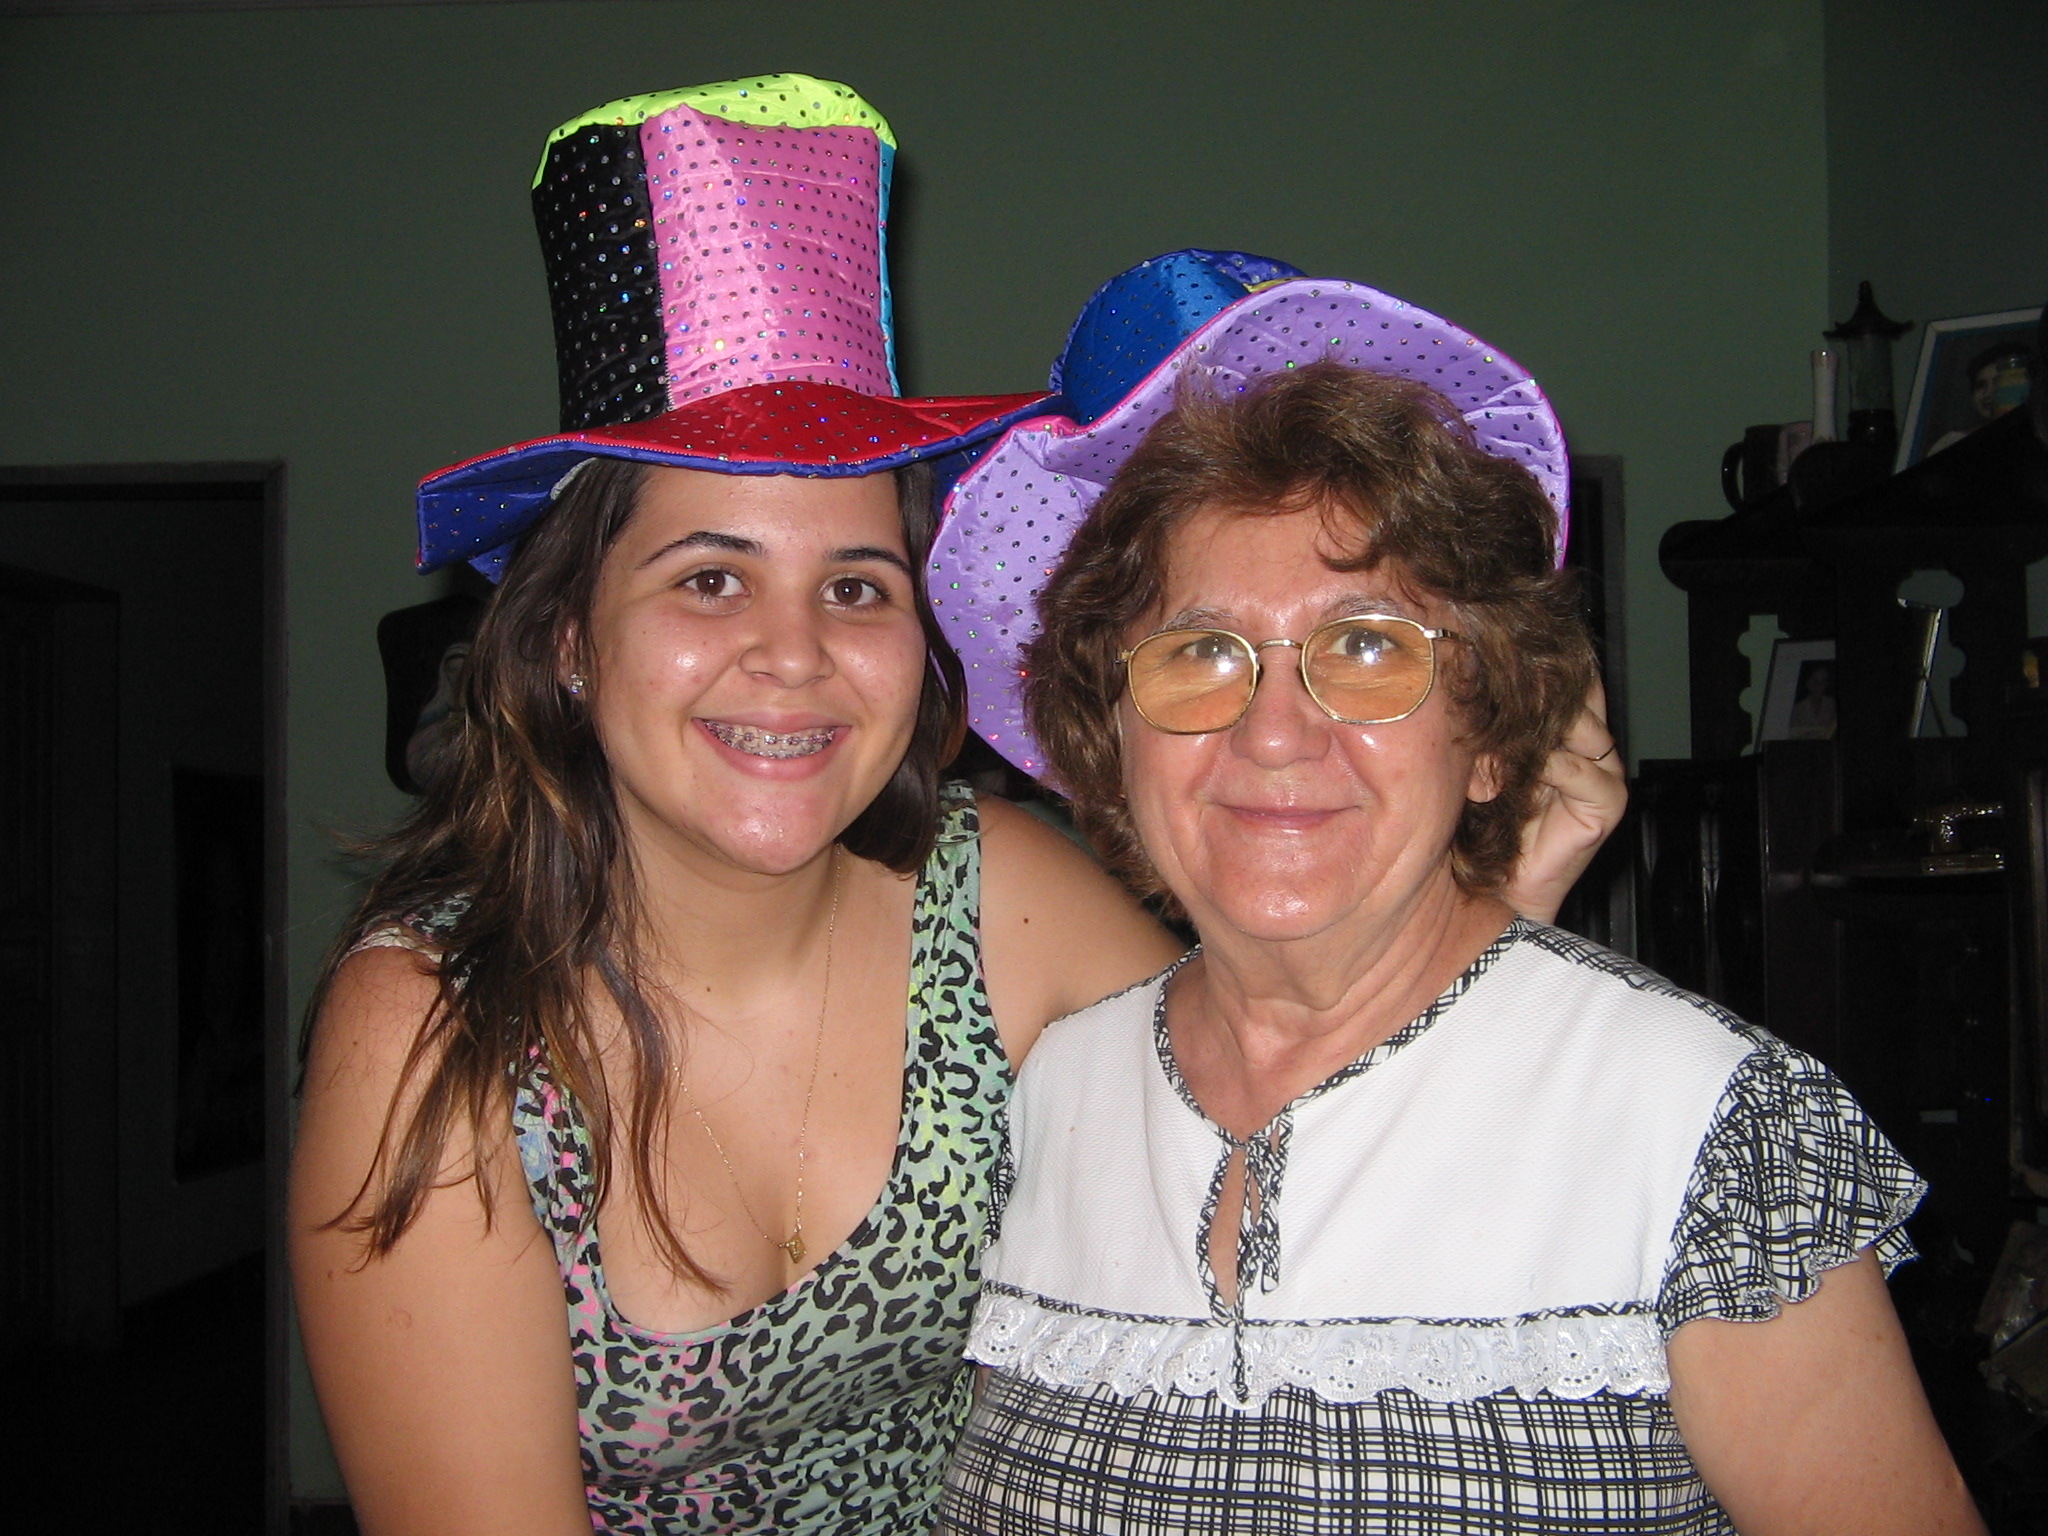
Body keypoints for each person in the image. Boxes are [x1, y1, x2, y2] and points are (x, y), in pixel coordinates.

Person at [289, 106, 1623, 1536]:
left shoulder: (995, 902)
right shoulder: (432, 1032)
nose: (793, 654)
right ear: (567, 637)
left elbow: (1297, 1180)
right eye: (710, 579)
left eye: (855, 587)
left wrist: (1505, 897)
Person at [932, 257, 1982, 1533]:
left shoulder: (1702, 1124)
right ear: (1111, 740)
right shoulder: (1042, 1094)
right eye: (1200, 650)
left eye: (1367, 645)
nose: (1274, 732)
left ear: (1488, 740)